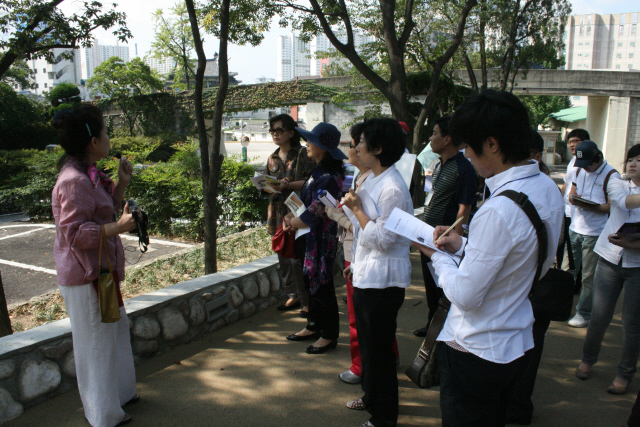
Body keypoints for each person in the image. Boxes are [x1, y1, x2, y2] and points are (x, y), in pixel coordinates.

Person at [413, 90, 564, 426]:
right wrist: (463, 245)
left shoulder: (498, 210)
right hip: (515, 339)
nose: (466, 155)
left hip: (476, 347)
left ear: (492, 144)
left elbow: (466, 296)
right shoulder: (546, 187)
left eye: (468, 147)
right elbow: (523, 256)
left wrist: (437, 256)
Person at [51, 106, 139, 427]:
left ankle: (122, 395)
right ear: (93, 141)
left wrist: (121, 184)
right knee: (96, 344)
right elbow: (75, 234)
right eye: (105, 132)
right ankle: (104, 415)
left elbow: (103, 211)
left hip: (100, 272)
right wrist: (120, 226)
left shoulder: (88, 173)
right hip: (85, 275)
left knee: (113, 332)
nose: (109, 138)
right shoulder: (74, 181)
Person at [342, 118, 412, 427]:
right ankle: (372, 397)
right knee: (369, 348)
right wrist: (355, 266)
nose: (356, 147)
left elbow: (384, 240)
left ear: (379, 148)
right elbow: (360, 233)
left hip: (383, 282)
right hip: (367, 275)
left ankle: (384, 417)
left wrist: (357, 209)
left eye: (362, 142)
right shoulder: (372, 178)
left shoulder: (392, 188)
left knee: (379, 352)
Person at [575, 143, 640, 396]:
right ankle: (587, 360)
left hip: (637, 265)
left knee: (632, 324)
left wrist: (634, 245)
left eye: (639, 160)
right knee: (599, 316)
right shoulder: (618, 183)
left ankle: (624, 374)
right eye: (630, 159)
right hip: (609, 259)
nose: (632, 164)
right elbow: (622, 203)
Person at [283, 122, 346, 354]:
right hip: (308, 237)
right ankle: (313, 325)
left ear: (324, 147)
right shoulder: (318, 171)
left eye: (311, 141)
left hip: (321, 239)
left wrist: (292, 222)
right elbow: (308, 204)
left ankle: (328, 335)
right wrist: (292, 215)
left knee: (322, 285)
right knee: (311, 283)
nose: (307, 144)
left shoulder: (329, 176)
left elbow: (316, 212)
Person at [413, 116, 477, 338]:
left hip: (446, 241)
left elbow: (464, 210)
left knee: (444, 287)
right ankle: (433, 324)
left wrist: (457, 246)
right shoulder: (438, 165)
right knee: (431, 286)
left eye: (434, 133)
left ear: (447, 138)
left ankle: (444, 331)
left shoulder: (464, 169)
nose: (430, 138)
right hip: (428, 235)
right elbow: (430, 194)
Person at [265, 114, 315, 317]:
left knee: (298, 258)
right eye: (272, 131)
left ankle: (306, 300)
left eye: (279, 130)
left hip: (297, 212)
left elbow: (311, 182)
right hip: (277, 212)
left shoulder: (302, 154)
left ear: (291, 133)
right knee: (283, 256)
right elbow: (268, 184)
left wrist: (288, 185)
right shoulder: (272, 157)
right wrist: (268, 186)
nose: (275, 134)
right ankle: (292, 295)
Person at [567, 140, 620, 328]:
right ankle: (562, 307)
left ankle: (584, 313)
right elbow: (572, 192)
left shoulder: (612, 175)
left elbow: (612, 206)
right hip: (575, 228)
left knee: (588, 276)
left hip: (595, 232)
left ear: (598, 158)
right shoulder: (579, 170)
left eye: (588, 164)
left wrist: (591, 206)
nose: (585, 168)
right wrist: (574, 199)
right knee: (567, 272)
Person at [558, 129, 590, 275]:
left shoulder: (587, 163)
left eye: (575, 141)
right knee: (564, 246)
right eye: (570, 142)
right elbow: (566, 183)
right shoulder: (572, 161)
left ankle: (574, 280)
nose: (572, 145)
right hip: (566, 211)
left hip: (578, 214)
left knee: (575, 251)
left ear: (586, 142)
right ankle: (564, 277)